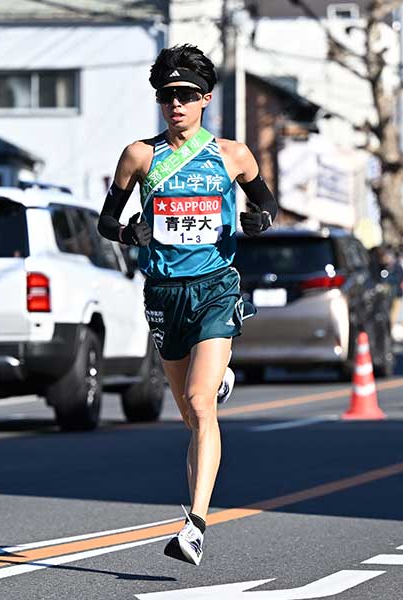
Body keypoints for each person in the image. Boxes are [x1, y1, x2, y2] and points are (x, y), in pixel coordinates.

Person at [97, 44, 276, 566]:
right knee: (191, 416)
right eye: (167, 96)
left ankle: (195, 523)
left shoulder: (231, 154)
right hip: (164, 293)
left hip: (216, 285)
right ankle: (216, 375)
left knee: (200, 403)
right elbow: (106, 221)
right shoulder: (140, 155)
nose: (176, 105)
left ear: (205, 100)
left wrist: (257, 220)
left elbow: (264, 203)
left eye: (187, 96)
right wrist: (131, 231)